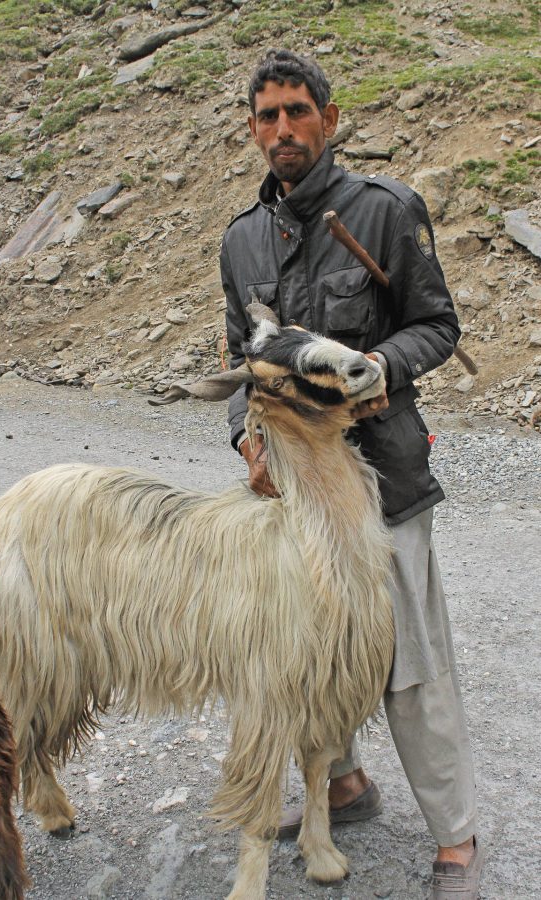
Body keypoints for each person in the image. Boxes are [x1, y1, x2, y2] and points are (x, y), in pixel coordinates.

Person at [220, 49, 482, 899]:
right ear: (254, 129)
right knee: (307, 645)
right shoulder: (242, 240)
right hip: (293, 489)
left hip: (384, 477)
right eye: (269, 116)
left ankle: (455, 835)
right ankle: (345, 784)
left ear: (329, 121)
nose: (284, 129)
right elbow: (239, 359)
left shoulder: (384, 211)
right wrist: (245, 443)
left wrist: (379, 363)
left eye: (298, 112)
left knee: (408, 660)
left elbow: (436, 325)